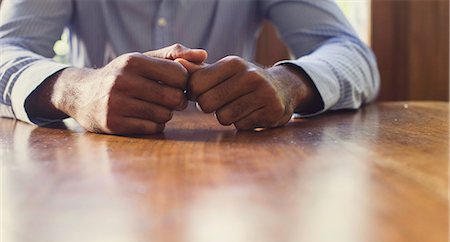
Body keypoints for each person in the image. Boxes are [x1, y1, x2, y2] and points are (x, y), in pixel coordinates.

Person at [0, 0, 380, 135]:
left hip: (240, 177)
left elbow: (351, 52)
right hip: (91, 180)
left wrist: (288, 83)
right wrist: (77, 90)